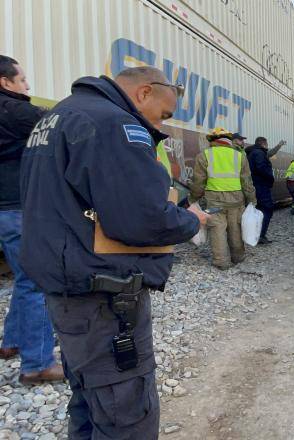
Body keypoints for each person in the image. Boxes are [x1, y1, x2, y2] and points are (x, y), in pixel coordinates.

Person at [19, 66, 207, 438]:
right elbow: (140, 219)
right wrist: (190, 220)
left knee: (90, 398)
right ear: (144, 94)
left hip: (68, 286)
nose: (162, 126)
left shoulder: (60, 115)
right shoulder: (114, 124)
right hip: (104, 298)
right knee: (126, 413)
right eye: (164, 115)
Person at [0, 55, 62, 384]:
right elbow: (61, 122)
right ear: (5, 82)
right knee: (38, 279)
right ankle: (36, 363)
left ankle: (11, 342)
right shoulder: (15, 110)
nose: (27, 85)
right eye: (22, 79)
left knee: (24, 277)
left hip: (4, 209)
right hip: (17, 207)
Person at [189, 127, 256, 269]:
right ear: (228, 140)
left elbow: (198, 182)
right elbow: (247, 182)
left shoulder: (204, 155)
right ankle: (238, 257)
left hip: (214, 202)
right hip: (236, 201)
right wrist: (252, 200)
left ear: (212, 141)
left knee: (217, 229)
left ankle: (221, 262)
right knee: (235, 229)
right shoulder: (239, 156)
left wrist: (193, 199)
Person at [246, 137, 285, 244]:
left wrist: (279, 145)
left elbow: (270, 153)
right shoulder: (259, 153)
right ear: (263, 143)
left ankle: (254, 234)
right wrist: (270, 178)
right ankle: (260, 235)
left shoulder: (252, 153)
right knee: (267, 209)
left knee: (258, 210)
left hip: (255, 185)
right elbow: (261, 168)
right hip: (261, 186)